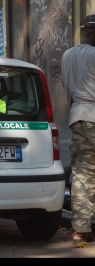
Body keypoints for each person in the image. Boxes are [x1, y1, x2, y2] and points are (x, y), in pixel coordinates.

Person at [62, 14, 95, 246]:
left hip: (78, 117)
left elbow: (67, 90)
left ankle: (80, 230)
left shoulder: (67, 55)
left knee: (83, 175)